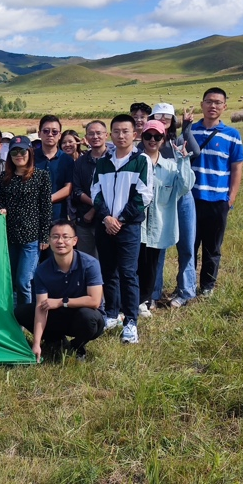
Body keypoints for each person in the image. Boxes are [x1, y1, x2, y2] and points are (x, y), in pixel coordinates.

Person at [91, 114, 153, 345]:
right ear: (111, 134)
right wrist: (106, 217)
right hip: (105, 225)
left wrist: (121, 219)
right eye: (116, 131)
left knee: (128, 274)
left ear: (134, 134)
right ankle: (111, 314)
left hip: (128, 228)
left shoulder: (142, 161)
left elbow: (144, 195)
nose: (121, 135)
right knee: (108, 272)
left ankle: (130, 322)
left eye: (125, 131)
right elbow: (95, 191)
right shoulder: (103, 162)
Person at [13, 220, 106, 362]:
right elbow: (41, 307)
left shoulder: (90, 264)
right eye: (55, 237)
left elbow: (94, 301)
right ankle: (55, 340)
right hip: (58, 314)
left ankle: (77, 346)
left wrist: (61, 302)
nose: (60, 241)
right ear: (49, 241)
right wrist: (36, 344)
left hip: (84, 315)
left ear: (75, 241)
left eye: (65, 237)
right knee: (21, 312)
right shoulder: (42, 270)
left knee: (88, 318)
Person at [190, 87, 243, 298]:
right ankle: (187, 285)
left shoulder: (232, 135)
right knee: (189, 247)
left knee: (212, 248)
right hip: (192, 199)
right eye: (209, 101)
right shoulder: (190, 131)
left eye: (217, 102)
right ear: (202, 104)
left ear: (224, 107)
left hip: (218, 200)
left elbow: (236, 168)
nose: (212, 106)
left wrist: (231, 198)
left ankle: (207, 287)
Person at [138, 120, 194, 315]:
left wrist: (183, 160)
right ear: (142, 138)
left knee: (152, 264)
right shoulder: (134, 163)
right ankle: (132, 300)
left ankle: (146, 300)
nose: (152, 140)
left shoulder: (171, 167)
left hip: (158, 226)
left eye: (157, 136)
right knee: (134, 264)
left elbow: (185, 186)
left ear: (163, 139)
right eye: (148, 136)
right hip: (137, 225)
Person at [151, 103, 201, 306]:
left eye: (168, 116)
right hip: (159, 200)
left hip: (182, 197)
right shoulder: (149, 142)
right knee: (157, 247)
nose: (163, 119)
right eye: (158, 115)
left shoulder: (178, 141)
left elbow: (195, 152)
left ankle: (186, 291)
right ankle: (153, 293)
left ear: (173, 120)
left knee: (187, 245)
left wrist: (187, 128)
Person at [0, 136, 52, 305]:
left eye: (22, 151)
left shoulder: (41, 176)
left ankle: (26, 315)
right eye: (14, 152)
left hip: (31, 238)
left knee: (23, 282)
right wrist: (2, 210)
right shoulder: (5, 178)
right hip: (11, 237)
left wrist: (44, 236)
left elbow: (46, 208)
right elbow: (3, 204)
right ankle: (15, 315)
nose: (18, 155)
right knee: (12, 280)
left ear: (30, 152)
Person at [70, 121, 108, 258]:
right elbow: (76, 190)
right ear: (86, 137)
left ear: (106, 135)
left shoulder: (114, 160)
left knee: (106, 260)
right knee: (85, 260)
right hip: (84, 220)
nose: (95, 137)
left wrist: (94, 210)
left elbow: (112, 192)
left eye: (99, 133)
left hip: (107, 220)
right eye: (91, 134)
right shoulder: (80, 162)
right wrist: (93, 205)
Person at [34, 115, 75, 221]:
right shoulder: (30, 157)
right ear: (39, 134)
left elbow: (68, 187)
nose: (50, 134)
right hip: (32, 215)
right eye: (46, 131)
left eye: (54, 132)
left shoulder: (67, 160)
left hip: (58, 216)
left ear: (60, 135)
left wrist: (47, 200)